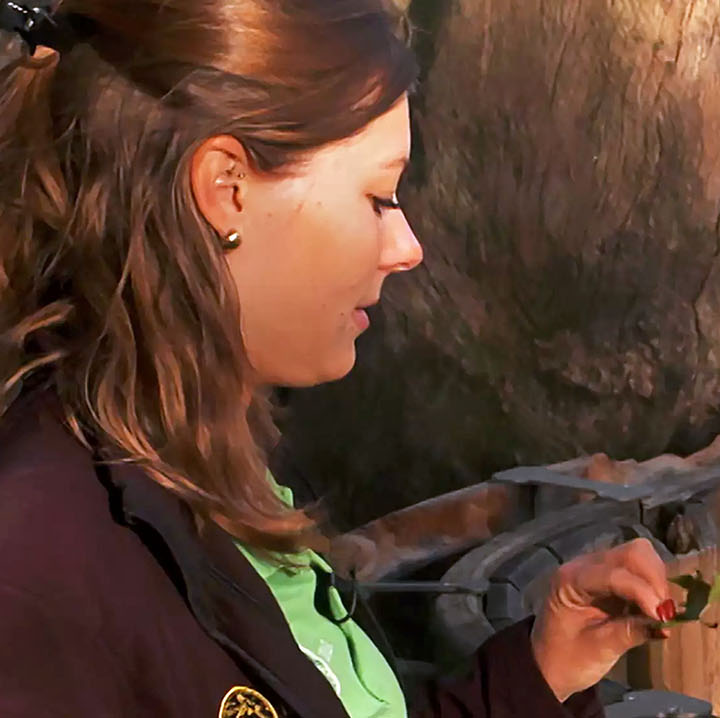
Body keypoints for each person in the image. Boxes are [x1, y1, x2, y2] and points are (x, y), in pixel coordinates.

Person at [0, 1, 678, 716]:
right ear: (226, 189)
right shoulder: (38, 579)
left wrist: (536, 675)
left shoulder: (223, 461)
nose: (407, 247)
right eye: (380, 197)